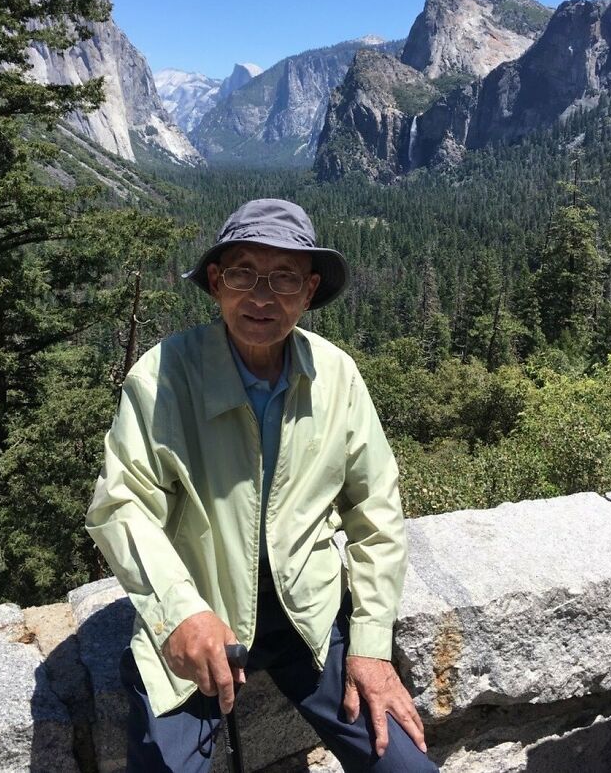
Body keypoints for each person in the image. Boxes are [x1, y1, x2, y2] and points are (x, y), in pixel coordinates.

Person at [86, 198, 438, 772]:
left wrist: (372, 645)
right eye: (244, 273)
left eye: (284, 278)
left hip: (312, 616)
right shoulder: (163, 377)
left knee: (405, 766)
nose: (261, 296)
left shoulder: (337, 376)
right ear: (217, 283)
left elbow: (376, 512)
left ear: (309, 290)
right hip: (202, 611)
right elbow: (122, 505)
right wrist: (180, 614)